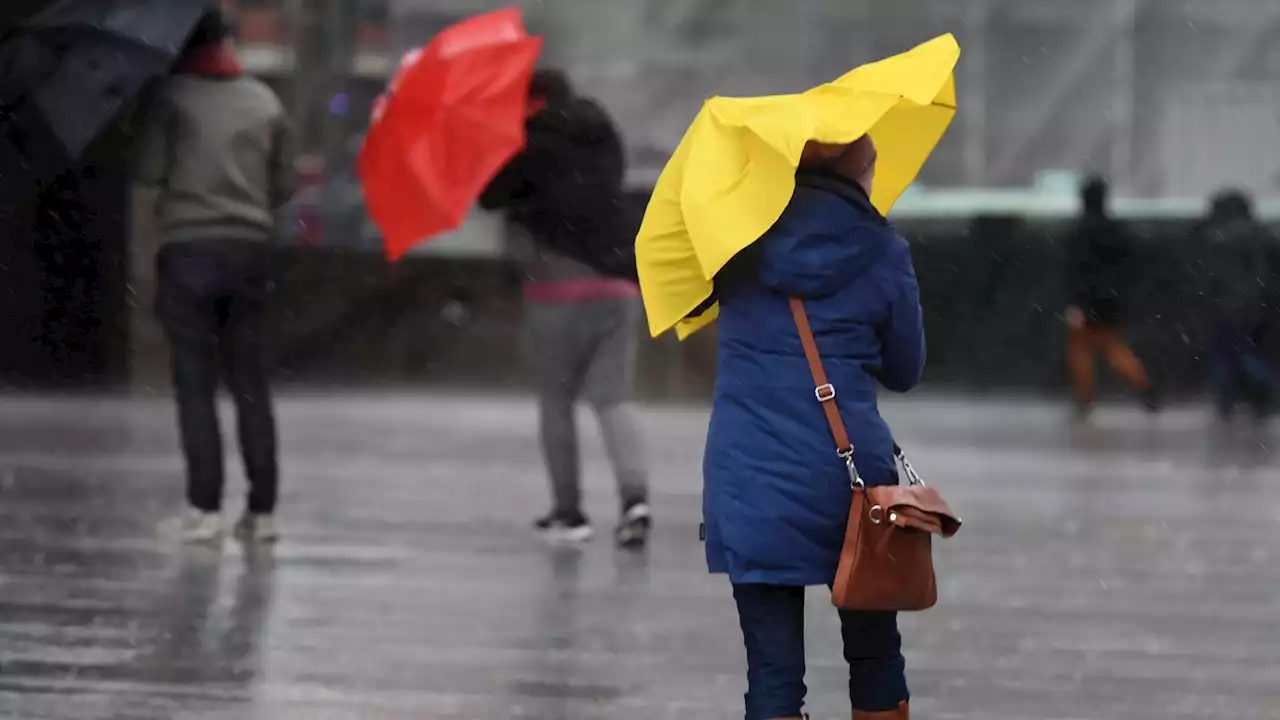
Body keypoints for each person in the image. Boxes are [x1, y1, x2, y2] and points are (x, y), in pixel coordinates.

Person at [702, 136, 921, 719]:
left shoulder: (734, 244)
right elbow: (905, 369)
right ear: (863, 173)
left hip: (749, 475)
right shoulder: (882, 250)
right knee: (875, 655)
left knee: (772, 673)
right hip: (848, 478)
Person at [136, 9, 297, 542]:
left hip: (189, 250)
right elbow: (285, 181)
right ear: (229, 42)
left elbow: (150, 173)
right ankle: (264, 511)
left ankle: (204, 508)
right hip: (249, 251)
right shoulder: (265, 101)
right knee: (251, 385)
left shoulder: (171, 97)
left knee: (196, 384)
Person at [479, 69, 651, 548]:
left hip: (556, 288)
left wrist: (503, 148)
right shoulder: (602, 133)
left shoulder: (531, 142)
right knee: (614, 398)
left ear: (533, 102)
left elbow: (490, 196)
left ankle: (569, 511)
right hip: (618, 286)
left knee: (556, 403)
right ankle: (635, 500)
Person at [1064, 175, 1158, 416]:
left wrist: (1076, 302)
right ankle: (1142, 384)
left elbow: (1075, 269)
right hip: (1112, 299)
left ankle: (1084, 399)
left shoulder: (1079, 231)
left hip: (1086, 300)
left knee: (1080, 349)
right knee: (1114, 348)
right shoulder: (1116, 230)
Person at [1197, 189, 1280, 420]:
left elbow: (1214, 278)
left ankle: (1227, 401)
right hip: (1257, 306)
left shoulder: (1219, 239)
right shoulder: (1263, 235)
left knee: (1226, 356)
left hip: (1227, 306)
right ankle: (1264, 395)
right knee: (1251, 354)